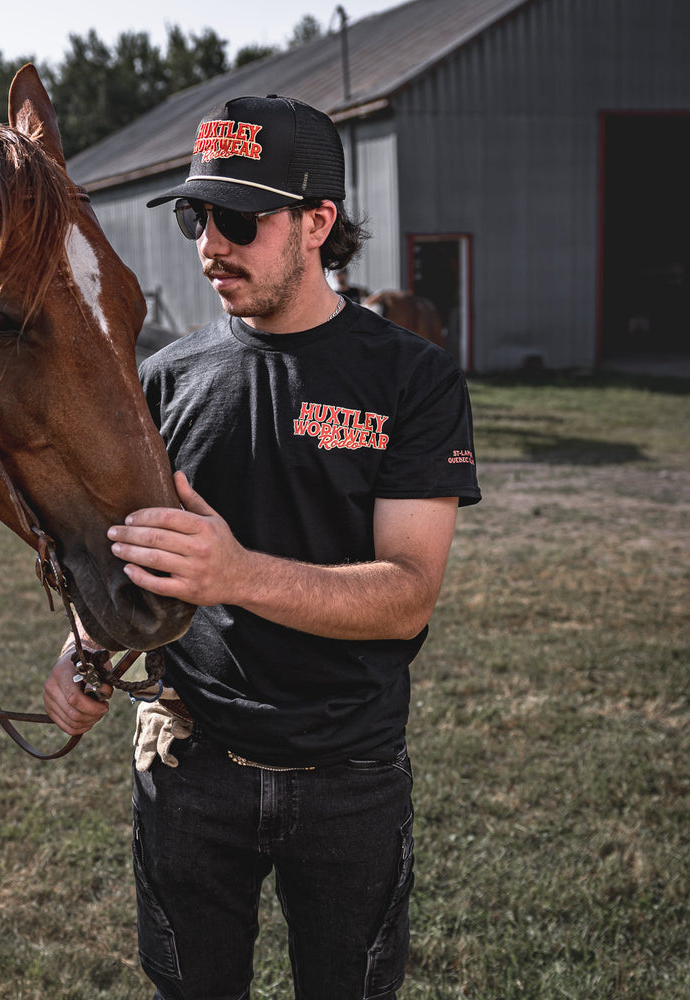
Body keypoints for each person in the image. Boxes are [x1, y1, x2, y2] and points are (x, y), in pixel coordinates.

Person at [44, 93, 481, 1000]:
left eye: (240, 219)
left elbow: (409, 594)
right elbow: (135, 557)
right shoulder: (160, 382)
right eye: (198, 217)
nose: (211, 243)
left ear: (318, 222)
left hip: (349, 778)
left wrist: (237, 573)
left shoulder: (412, 378)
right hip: (190, 770)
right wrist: (83, 652)